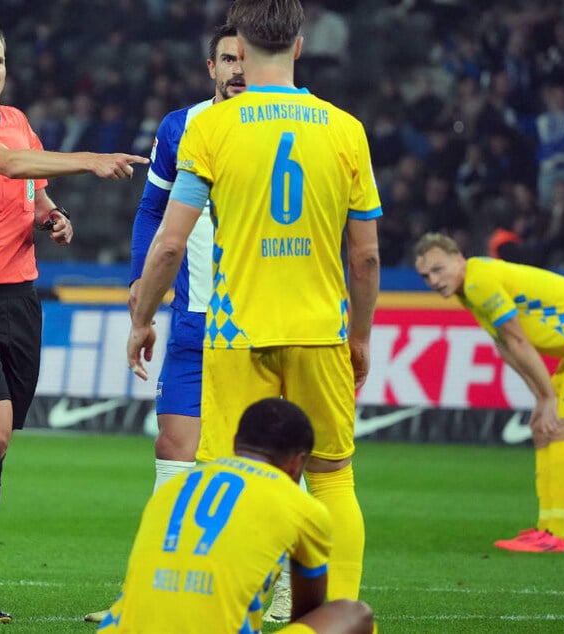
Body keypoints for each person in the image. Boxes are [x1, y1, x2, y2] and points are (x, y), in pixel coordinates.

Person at [127, 0, 381, 608]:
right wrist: (362, 336)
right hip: (320, 329)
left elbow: (168, 240)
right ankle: (327, 612)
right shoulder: (346, 129)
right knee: (331, 476)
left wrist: (141, 317)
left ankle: (228, 604)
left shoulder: (212, 128)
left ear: (241, 44)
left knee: (223, 475)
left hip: (236, 331)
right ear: (299, 46)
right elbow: (366, 254)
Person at [0, 21, 148, 623]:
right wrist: (91, 161)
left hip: (20, 302)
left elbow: (33, 191)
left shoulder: (18, 117)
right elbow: (11, 164)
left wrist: (52, 217)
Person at [84, 25, 247, 626]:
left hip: (260, 323)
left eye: (245, 58)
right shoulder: (182, 127)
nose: (237, 68)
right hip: (194, 320)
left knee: (265, 460)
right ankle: (151, 593)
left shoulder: (284, 125)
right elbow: (154, 209)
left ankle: (279, 583)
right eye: (227, 58)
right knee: (173, 451)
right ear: (210, 65)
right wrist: (138, 284)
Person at [413, 232, 564, 552]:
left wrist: (548, 399)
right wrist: (539, 398)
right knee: (543, 428)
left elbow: (518, 340)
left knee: (559, 426)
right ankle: (546, 528)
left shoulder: (480, 281)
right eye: (425, 276)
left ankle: (557, 535)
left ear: (458, 257)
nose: (433, 280)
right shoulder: (468, 289)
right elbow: (506, 347)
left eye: (438, 269)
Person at [96, 398, 375, 634]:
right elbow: (305, 613)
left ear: (234, 442)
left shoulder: (176, 486)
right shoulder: (304, 507)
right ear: (297, 462)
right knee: (354, 614)